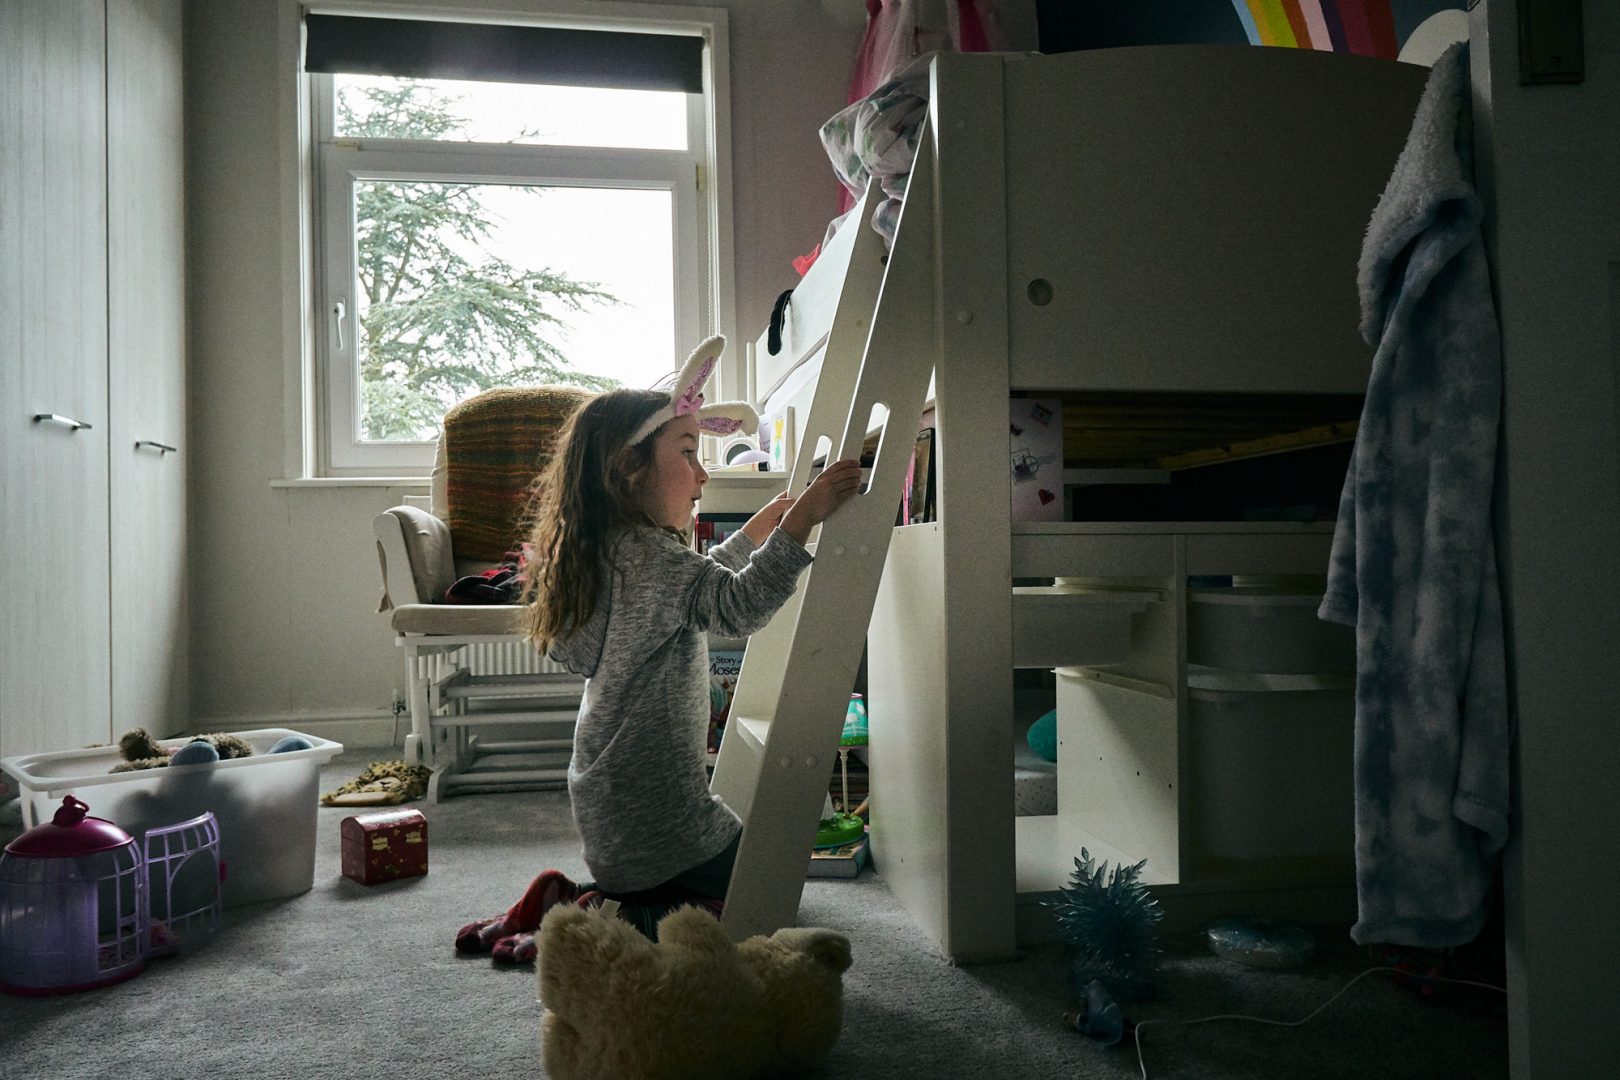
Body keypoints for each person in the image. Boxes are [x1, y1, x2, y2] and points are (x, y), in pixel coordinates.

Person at [455, 336, 862, 962]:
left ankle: (585, 898)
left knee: (724, 878)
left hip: (613, 817)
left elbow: (693, 593)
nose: (704, 473)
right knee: (765, 889)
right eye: (689, 452)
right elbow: (735, 605)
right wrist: (799, 523)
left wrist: (755, 534)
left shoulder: (615, 550)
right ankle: (605, 920)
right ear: (630, 467)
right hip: (657, 826)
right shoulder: (652, 557)